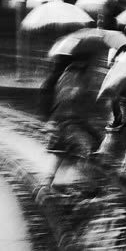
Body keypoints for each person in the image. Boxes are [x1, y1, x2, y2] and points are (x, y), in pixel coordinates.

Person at [39, 53, 102, 192]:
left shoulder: (79, 74)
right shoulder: (71, 75)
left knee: (65, 151)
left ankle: (55, 182)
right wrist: (78, 92)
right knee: (75, 147)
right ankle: (85, 183)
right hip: (67, 119)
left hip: (72, 118)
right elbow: (66, 97)